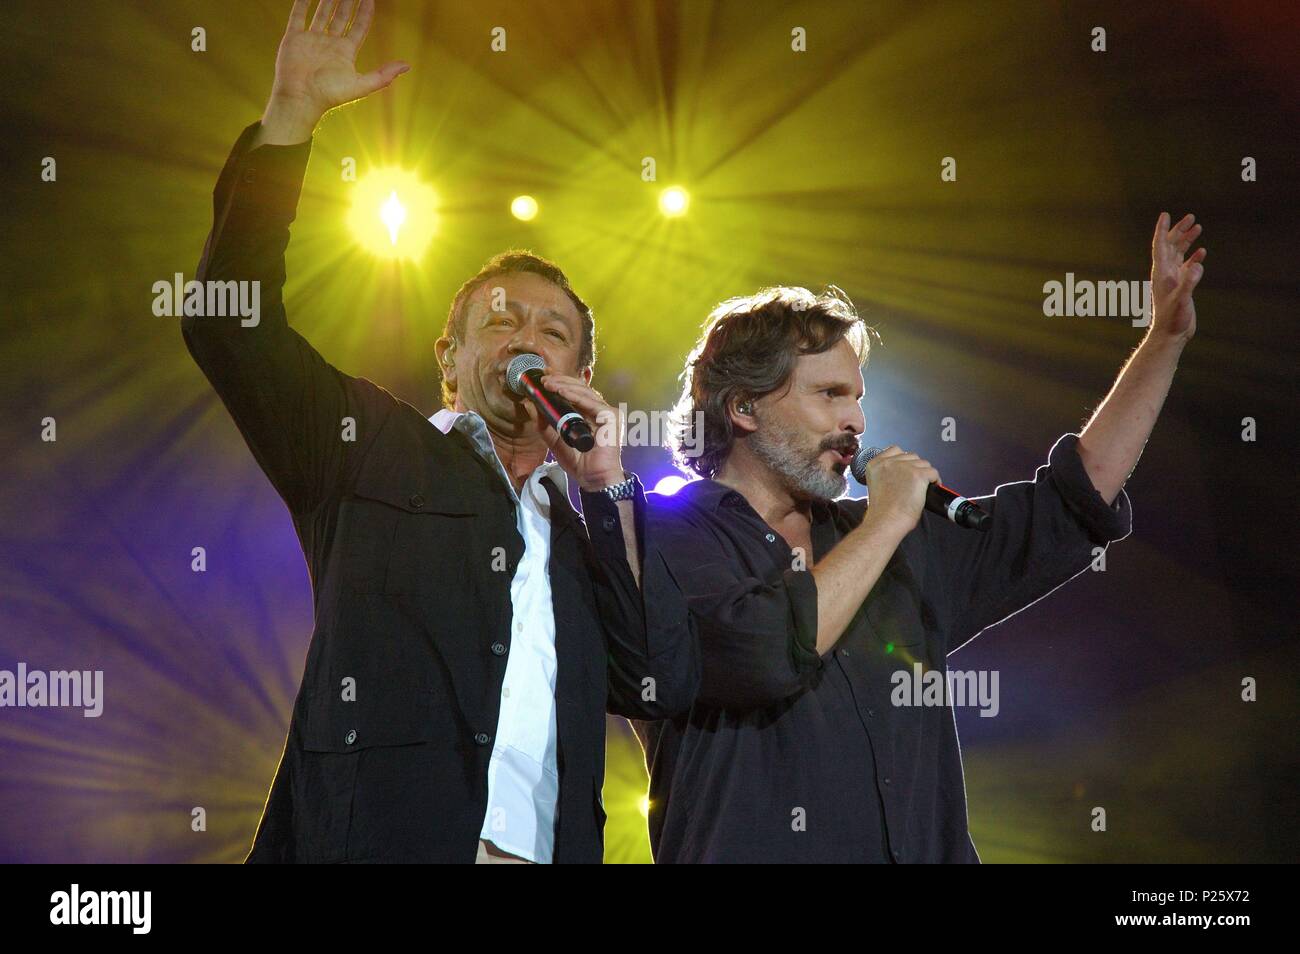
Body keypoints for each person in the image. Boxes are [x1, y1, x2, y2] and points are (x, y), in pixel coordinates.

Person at [183, 0, 696, 864]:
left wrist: (606, 483)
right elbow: (226, 325)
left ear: (578, 373)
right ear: (449, 360)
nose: (525, 336)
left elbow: (656, 680)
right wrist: (288, 123)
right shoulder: (365, 446)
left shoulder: (587, 533)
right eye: (499, 321)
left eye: (552, 329)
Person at [636, 214, 1204, 861]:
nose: (855, 420)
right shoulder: (661, 534)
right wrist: (886, 521)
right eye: (829, 394)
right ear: (742, 407)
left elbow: (1073, 501)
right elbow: (762, 653)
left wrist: (1164, 341)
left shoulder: (902, 544)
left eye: (857, 397)